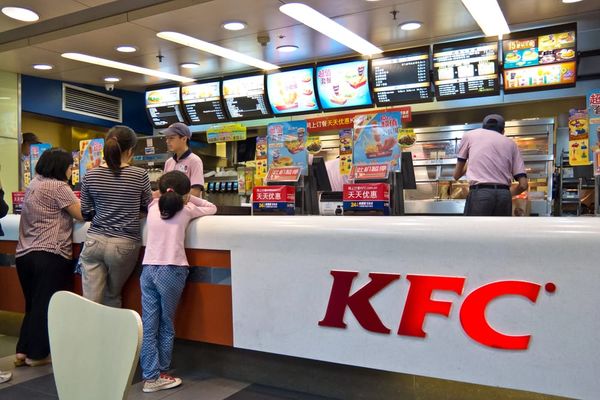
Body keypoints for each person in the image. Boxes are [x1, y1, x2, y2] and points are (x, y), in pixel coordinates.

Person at [139, 171, 216, 393]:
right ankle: (162, 373)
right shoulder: (187, 208)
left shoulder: (152, 207)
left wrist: (159, 194)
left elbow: (152, 199)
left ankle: (150, 376)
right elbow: (212, 208)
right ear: (185, 194)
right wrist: (191, 197)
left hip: (148, 269)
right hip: (172, 270)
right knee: (166, 323)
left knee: (149, 325)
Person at [14, 148, 83, 367]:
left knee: (33, 304)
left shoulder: (34, 183)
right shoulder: (59, 187)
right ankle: (37, 355)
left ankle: (23, 351)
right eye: (70, 167)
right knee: (45, 306)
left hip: (24, 254)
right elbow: (81, 213)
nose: (71, 171)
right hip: (50, 254)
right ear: (61, 167)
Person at [79, 125, 152, 307]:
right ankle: (111, 327)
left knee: (90, 302)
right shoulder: (139, 174)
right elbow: (148, 207)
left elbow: (85, 213)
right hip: (124, 244)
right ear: (130, 150)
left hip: (94, 241)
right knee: (112, 296)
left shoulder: (90, 175)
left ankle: (88, 327)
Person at [453, 114, 528, 216]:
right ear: (503, 131)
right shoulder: (511, 144)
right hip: (504, 195)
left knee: (476, 226)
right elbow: (523, 185)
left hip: (480, 194)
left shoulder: (469, 135)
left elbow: (456, 175)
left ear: (483, 127)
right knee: (500, 227)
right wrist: (506, 194)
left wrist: (472, 159)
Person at [162, 122, 204, 197]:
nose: (167, 141)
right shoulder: (169, 162)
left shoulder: (194, 160)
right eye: (167, 138)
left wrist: (176, 200)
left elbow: (196, 191)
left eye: (171, 138)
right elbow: (164, 188)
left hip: (188, 204)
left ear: (184, 139)